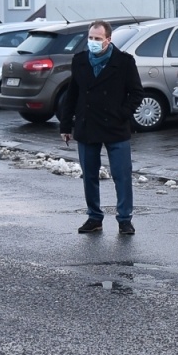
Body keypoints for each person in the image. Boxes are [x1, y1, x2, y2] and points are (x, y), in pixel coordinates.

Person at [57, 21, 144, 236]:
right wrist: (66, 125)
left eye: (98, 38)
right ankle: (94, 217)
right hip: (87, 126)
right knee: (89, 175)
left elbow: (136, 93)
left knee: (122, 175)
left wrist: (121, 114)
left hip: (116, 127)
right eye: (91, 38)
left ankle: (125, 219)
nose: (93, 42)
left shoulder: (124, 61)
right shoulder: (79, 60)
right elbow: (72, 95)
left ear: (108, 39)